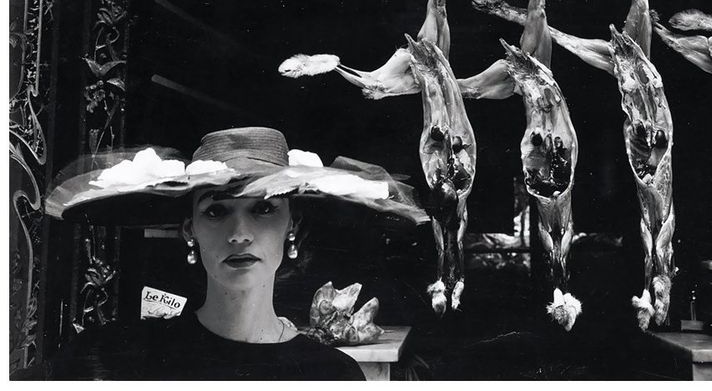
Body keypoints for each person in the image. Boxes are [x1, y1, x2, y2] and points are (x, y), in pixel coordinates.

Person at [44, 127, 426, 380]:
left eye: (263, 209)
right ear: (189, 230)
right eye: (216, 211)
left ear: (291, 226)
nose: (240, 234)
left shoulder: (331, 375)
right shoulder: (116, 356)